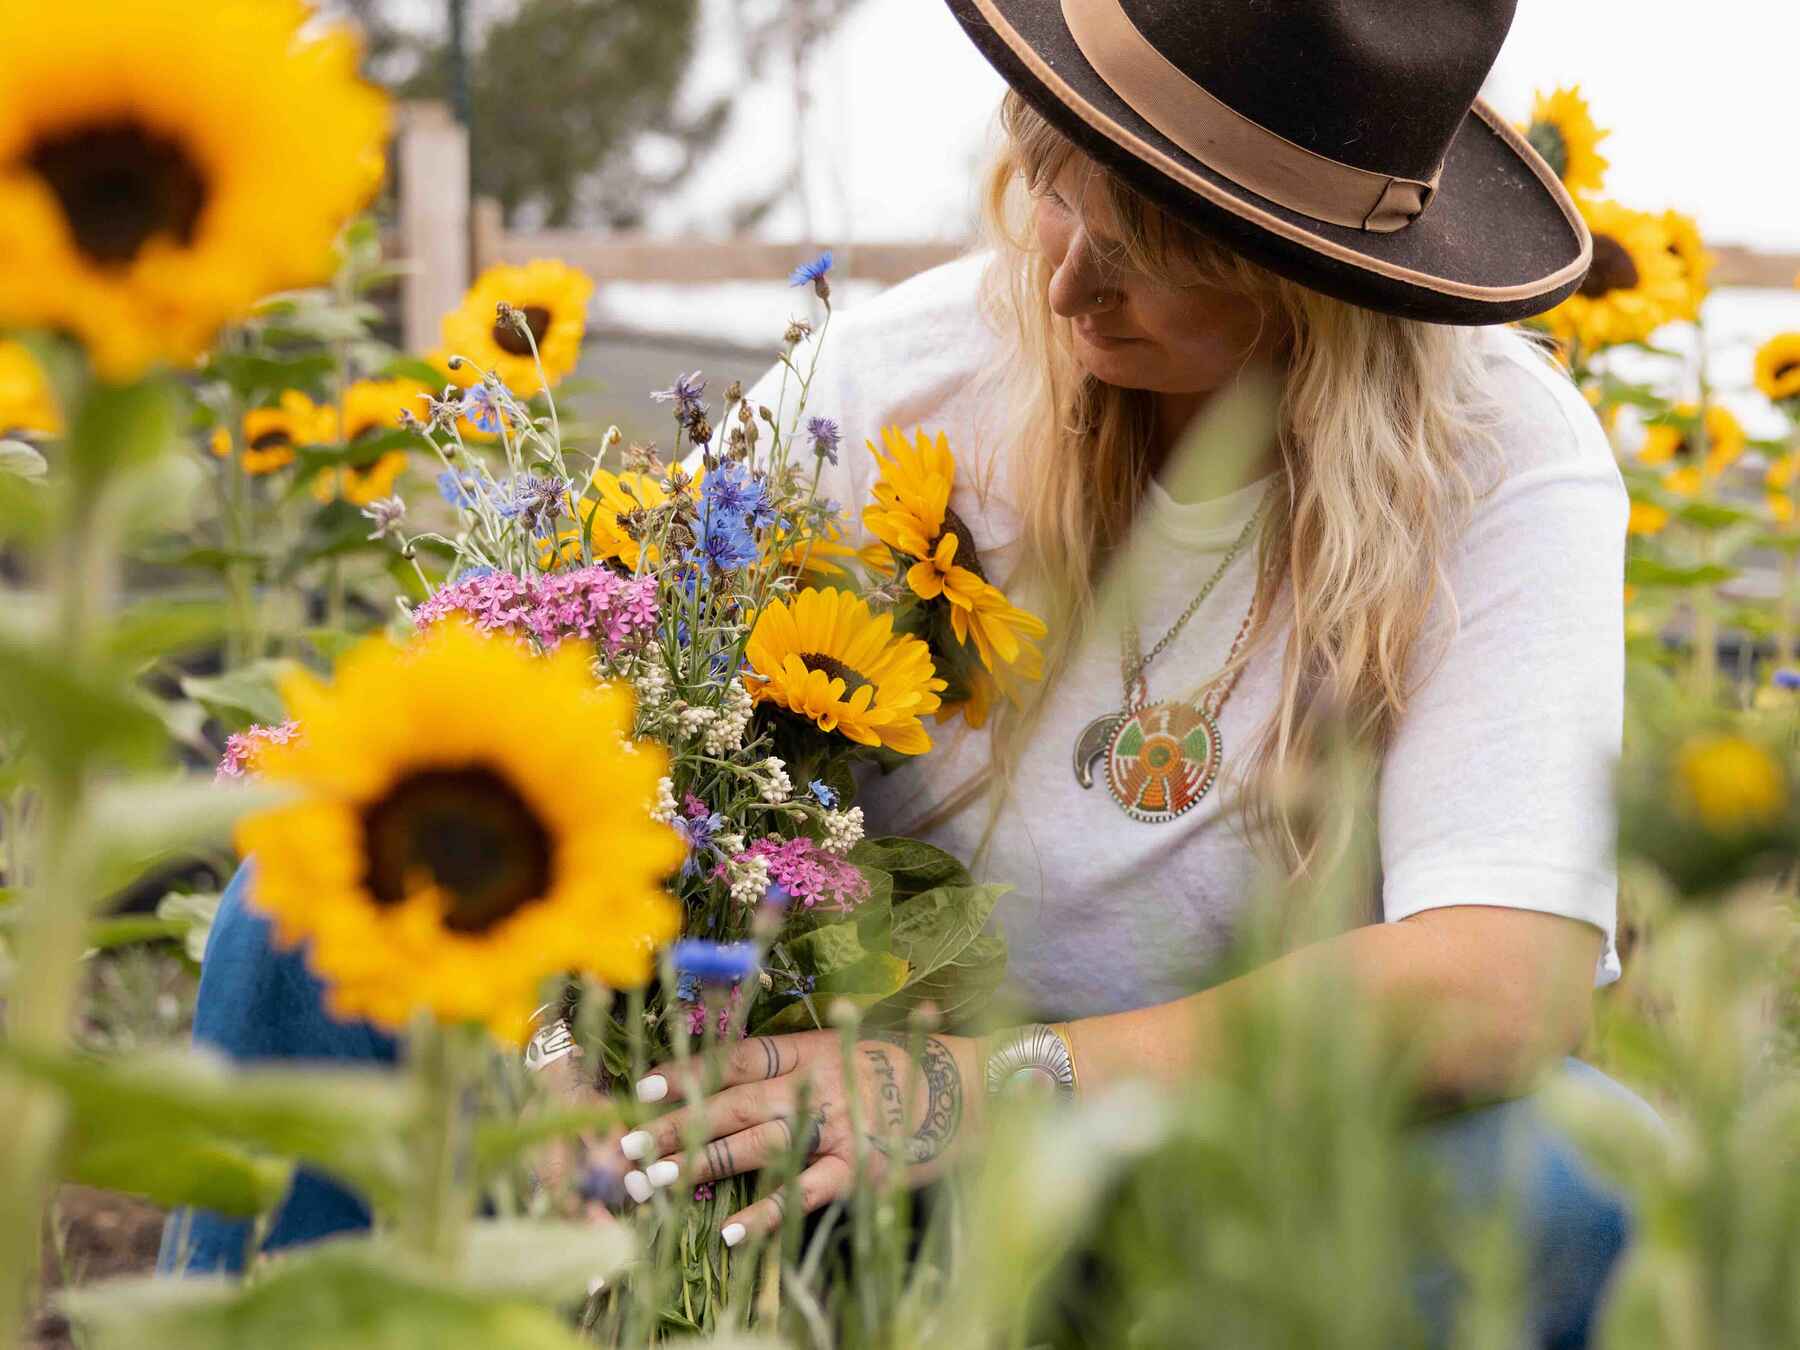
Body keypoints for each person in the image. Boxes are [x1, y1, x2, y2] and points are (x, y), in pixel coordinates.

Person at [166, 2, 1660, 1343]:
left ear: (1313, 281)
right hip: (775, 1141)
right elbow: (584, 692)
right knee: (309, 895)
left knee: (1568, 1176)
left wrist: (987, 1087)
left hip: (1185, 1173)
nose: (1067, 283)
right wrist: (556, 1022)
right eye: (1061, 182)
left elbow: (1497, 984)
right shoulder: (897, 381)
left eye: (1155, 251)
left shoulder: (1498, 464)